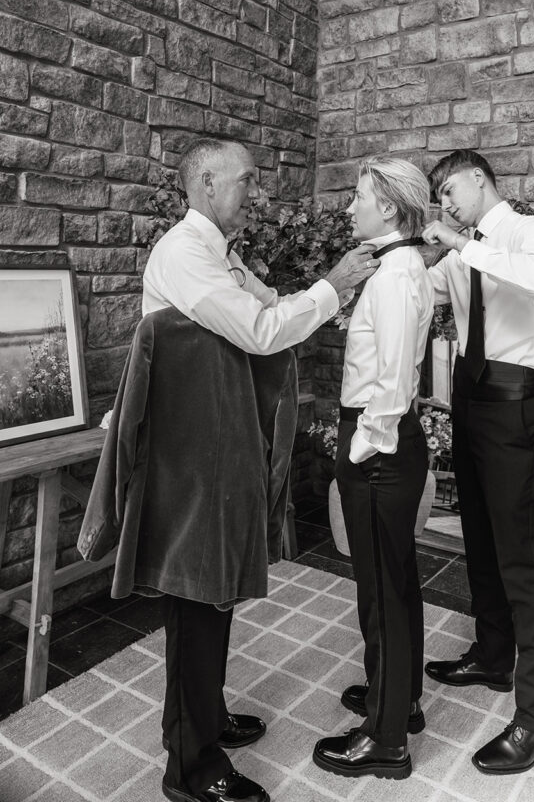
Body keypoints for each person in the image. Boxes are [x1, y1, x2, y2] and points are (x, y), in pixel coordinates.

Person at [135, 138, 379, 802]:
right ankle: (191, 767)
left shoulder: (220, 254)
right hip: (190, 458)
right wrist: (335, 286)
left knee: (215, 592)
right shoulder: (185, 255)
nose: (254, 191)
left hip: (215, 446)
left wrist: (309, 291)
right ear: (209, 185)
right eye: (245, 180)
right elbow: (262, 331)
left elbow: (271, 310)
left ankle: (204, 717)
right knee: (196, 600)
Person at [421, 149, 534, 775]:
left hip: (517, 406)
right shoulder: (460, 252)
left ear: (479, 179)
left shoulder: (531, 232)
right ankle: (492, 656)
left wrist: (456, 240)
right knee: (476, 541)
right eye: (439, 197)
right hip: (470, 402)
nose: (446, 203)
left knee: (519, 562)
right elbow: (419, 291)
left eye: (450, 189)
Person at [313, 157, 435, 781]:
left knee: (381, 593)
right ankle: (401, 699)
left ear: (388, 208)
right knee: (396, 582)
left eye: (358, 197)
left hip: (378, 440)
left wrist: (360, 449)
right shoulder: (402, 265)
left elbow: (390, 382)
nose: (350, 207)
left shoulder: (395, 273)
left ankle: (385, 740)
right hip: (387, 438)